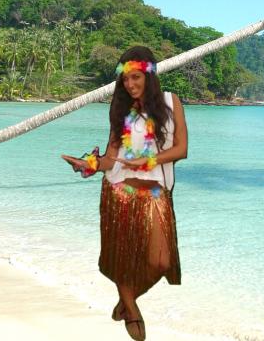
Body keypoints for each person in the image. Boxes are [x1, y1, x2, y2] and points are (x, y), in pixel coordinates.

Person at [62, 46, 188, 341]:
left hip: (155, 191)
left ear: (149, 75)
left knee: (161, 261)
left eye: (135, 78)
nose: (130, 85)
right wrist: (89, 165)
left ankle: (126, 300)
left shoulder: (171, 102)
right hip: (120, 189)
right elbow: (110, 157)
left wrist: (148, 161)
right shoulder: (119, 110)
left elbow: (182, 149)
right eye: (125, 80)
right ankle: (131, 308)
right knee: (121, 257)